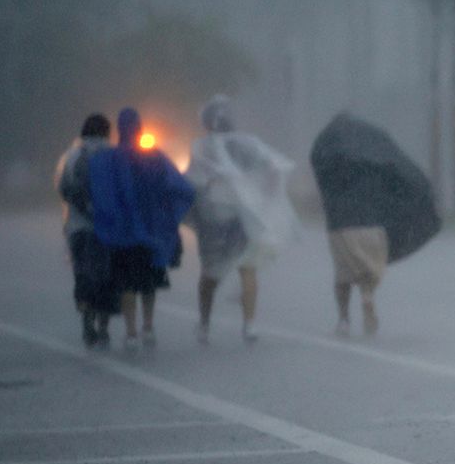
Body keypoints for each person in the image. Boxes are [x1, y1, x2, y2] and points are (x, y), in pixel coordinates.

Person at [310, 113, 440, 338]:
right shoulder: (374, 158)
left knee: (343, 275)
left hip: (342, 225)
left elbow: (321, 182)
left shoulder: (331, 161)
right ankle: (368, 296)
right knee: (368, 271)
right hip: (372, 225)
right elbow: (400, 174)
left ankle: (343, 319)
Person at [185, 95, 299, 344]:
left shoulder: (202, 147)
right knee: (248, 268)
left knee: (210, 272)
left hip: (216, 216)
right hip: (246, 215)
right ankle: (249, 326)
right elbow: (272, 167)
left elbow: (193, 181)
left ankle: (204, 325)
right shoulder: (249, 144)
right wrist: (264, 195)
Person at [89, 107, 195, 351]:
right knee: (148, 284)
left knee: (126, 284)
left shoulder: (108, 159)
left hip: (122, 236)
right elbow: (178, 186)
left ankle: (131, 332)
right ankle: (148, 327)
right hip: (151, 234)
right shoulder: (152, 157)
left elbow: (102, 195)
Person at [54, 113, 121, 349]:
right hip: (108, 228)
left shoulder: (72, 155)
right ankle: (103, 329)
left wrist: (82, 208)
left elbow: (62, 188)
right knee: (107, 277)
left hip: (78, 227)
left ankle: (86, 323)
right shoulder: (112, 155)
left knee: (83, 275)